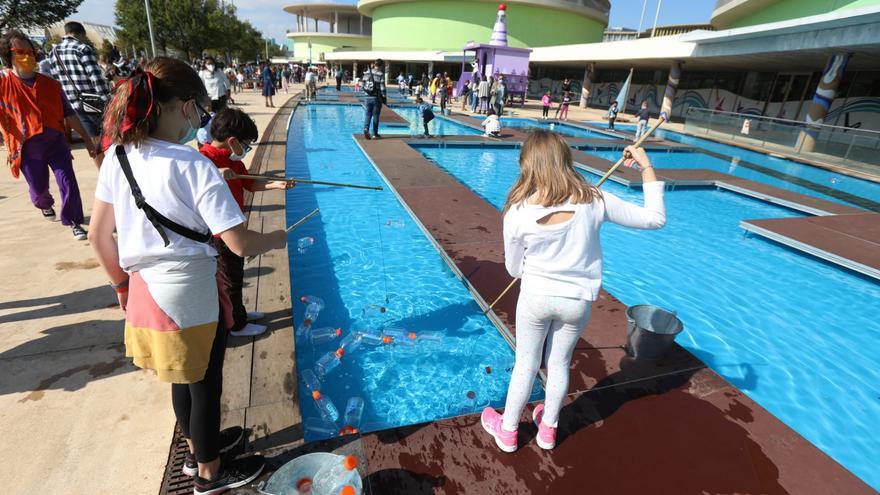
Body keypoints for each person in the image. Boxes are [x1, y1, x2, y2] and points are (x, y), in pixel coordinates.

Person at [88, 56, 285, 493]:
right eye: (198, 106)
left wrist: (121, 286)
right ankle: (210, 473)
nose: (200, 116)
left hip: (143, 289)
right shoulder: (193, 164)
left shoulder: (117, 156)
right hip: (188, 291)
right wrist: (277, 239)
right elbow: (239, 243)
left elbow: (100, 238)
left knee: (181, 375)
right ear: (180, 105)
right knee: (205, 383)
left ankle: (201, 448)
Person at [481, 131, 666, 453]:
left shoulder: (517, 211)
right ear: (565, 160)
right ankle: (548, 429)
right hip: (576, 301)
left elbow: (514, 270)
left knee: (526, 363)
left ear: (526, 165)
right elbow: (654, 219)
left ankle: (508, 431)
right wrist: (646, 167)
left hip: (535, 298)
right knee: (559, 362)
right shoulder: (595, 199)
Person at [200, 108, 294, 336]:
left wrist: (275, 184)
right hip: (219, 234)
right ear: (232, 141)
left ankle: (238, 312)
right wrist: (216, 172)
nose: (246, 149)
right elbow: (201, 176)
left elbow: (249, 183)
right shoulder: (204, 160)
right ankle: (236, 325)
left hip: (234, 228)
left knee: (236, 274)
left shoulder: (234, 161)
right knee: (229, 279)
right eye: (246, 144)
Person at [0, 30, 100, 241]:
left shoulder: (51, 85)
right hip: (27, 149)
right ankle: (45, 204)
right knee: (38, 192)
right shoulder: (3, 86)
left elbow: (70, 115)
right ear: (8, 56)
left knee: (68, 182)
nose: (26, 56)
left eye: (29, 51)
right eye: (19, 52)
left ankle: (74, 221)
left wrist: (88, 140)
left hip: (56, 143)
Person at [49, 21, 111, 138]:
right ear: (82, 34)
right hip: (93, 100)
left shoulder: (53, 52)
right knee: (108, 136)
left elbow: (55, 80)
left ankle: (98, 156)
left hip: (72, 102)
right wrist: (107, 98)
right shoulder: (82, 48)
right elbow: (95, 77)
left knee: (93, 137)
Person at [361, 58, 386, 140]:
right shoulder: (380, 74)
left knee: (368, 114)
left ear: (374, 64)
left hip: (367, 97)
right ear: (381, 66)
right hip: (376, 97)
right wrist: (384, 97)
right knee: (376, 115)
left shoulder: (366, 73)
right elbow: (382, 88)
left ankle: (366, 129)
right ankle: (375, 133)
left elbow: (362, 86)